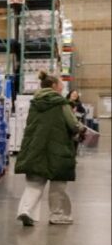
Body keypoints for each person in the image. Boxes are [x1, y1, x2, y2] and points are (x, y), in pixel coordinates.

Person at [16, 72, 84, 226]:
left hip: (35, 147)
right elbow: (73, 125)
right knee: (58, 185)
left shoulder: (35, 103)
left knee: (34, 183)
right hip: (57, 148)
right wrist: (82, 130)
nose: (62, 87)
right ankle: (57, 215)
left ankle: (26, 211)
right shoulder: (61, 103)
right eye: (61, 84)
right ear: (54, 86)